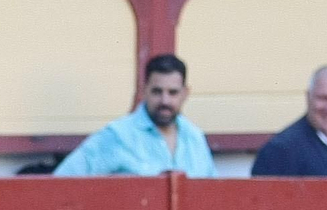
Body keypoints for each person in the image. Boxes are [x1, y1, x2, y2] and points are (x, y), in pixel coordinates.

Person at [54, 53, 216, 178]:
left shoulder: (195, 137)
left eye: (172, 93)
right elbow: (61, 180)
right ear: (144, 90)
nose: (164, 100)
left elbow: (213, 194)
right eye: (157, 91)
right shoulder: (118, 135)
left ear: (185, 93)